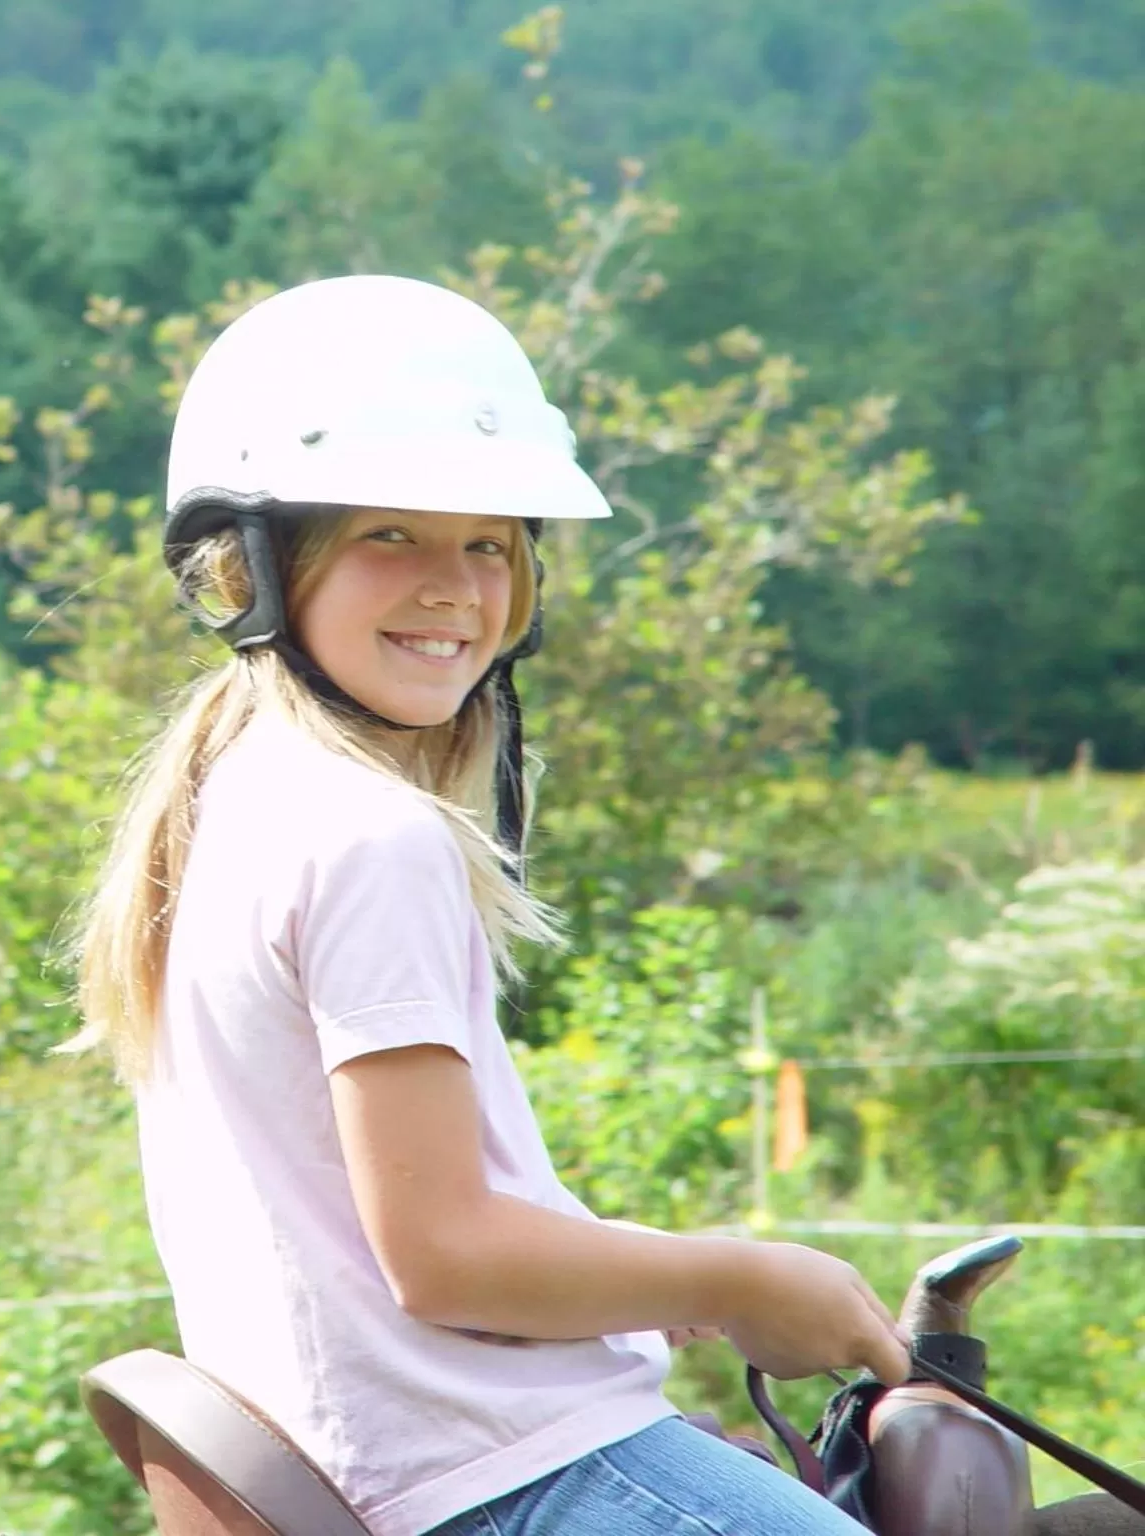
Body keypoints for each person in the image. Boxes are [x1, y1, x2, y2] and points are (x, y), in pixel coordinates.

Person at [57, 275, 912, 1536]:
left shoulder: (230, 804)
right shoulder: (373, 835)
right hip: (505, 1472)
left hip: (396, 1457)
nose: (452, 587)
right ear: (250, 568)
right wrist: (737, 1276)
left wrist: (621, 1273)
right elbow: (441, 1255)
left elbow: (366, 1227)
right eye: (388, 537)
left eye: (488, 544)